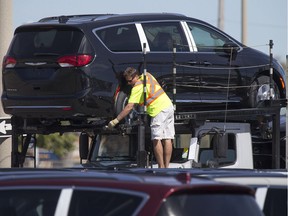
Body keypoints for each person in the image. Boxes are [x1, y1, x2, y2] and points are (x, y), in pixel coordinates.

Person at [108, 67, 175, 168]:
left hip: (158, 110)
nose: (129, 83)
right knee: (168, 138)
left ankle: (161, 167)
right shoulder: (147, 75)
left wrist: (116, 120)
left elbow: (129, 107)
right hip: (168, 106)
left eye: (130, 81)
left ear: (135, 77)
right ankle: (167, 166)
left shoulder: (137, 88)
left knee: (156, 138)